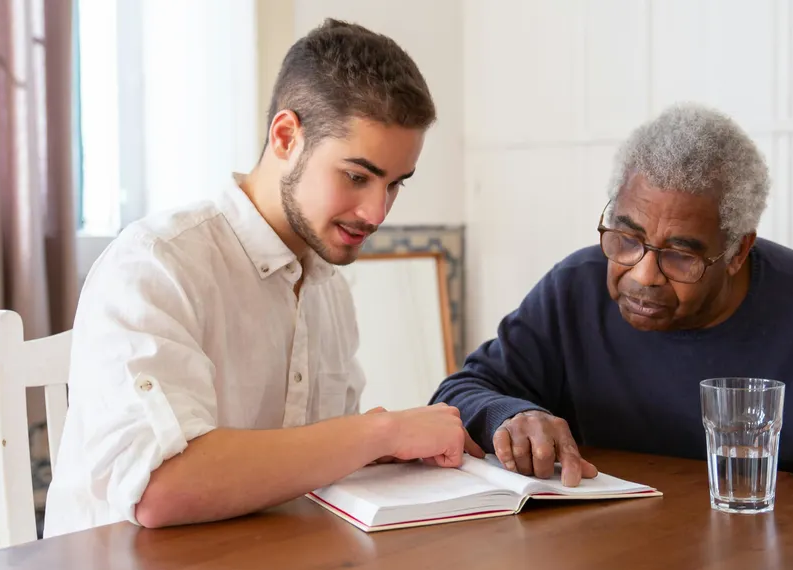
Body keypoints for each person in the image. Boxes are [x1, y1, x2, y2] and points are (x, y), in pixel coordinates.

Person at [44, 19, 482, 537]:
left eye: (394, 185)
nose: (377, 212)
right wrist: (380, 431)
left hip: (265, 568)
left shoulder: (329, 289)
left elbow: (320, 464)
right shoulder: (156, 263)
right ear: (286, 136)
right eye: (357, 177)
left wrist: (398, 453)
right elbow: (161, 489)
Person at [431, 103, 793, 496]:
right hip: (606, 563)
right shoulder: (573, 288)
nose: (642, 274)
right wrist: (512, 414)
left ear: (736, 251)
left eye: (680, 255)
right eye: (626, 238)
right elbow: (457, 394)